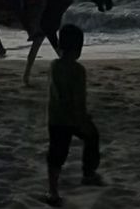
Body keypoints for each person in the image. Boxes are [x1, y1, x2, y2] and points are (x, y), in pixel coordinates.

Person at [45, 24, 103, 207]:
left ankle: (53, 190)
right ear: (78, 49)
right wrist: (83, 119)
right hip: (72, 118)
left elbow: (58, 95)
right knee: (92, 137)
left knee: (56, 154)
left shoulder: (54, 66)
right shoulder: (78, 70)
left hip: (55, 119)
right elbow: (78, 99)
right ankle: (88, 173)